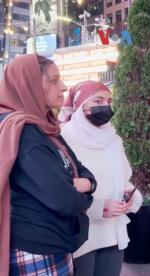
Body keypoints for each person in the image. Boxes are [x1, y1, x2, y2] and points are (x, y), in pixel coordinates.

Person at [0, 54, 96, 275]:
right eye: (53, 81)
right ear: (29, 85)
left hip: (52, 242)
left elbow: (79, 168)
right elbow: (63, 199)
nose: (63, 87)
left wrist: (87, 183)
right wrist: (87, 192)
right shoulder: (25, 132)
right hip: (38, 246)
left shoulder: (44, 127)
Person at [58, 80, 143, 276]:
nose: (104, 106)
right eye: (97, 100)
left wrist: (130, 199)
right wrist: (98, 207)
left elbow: (125, 180)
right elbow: (62, 186)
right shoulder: (64, 138)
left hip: (113, 233)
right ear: (81, 106)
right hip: (81, 235)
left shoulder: (113, 139)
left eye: (108, 100)